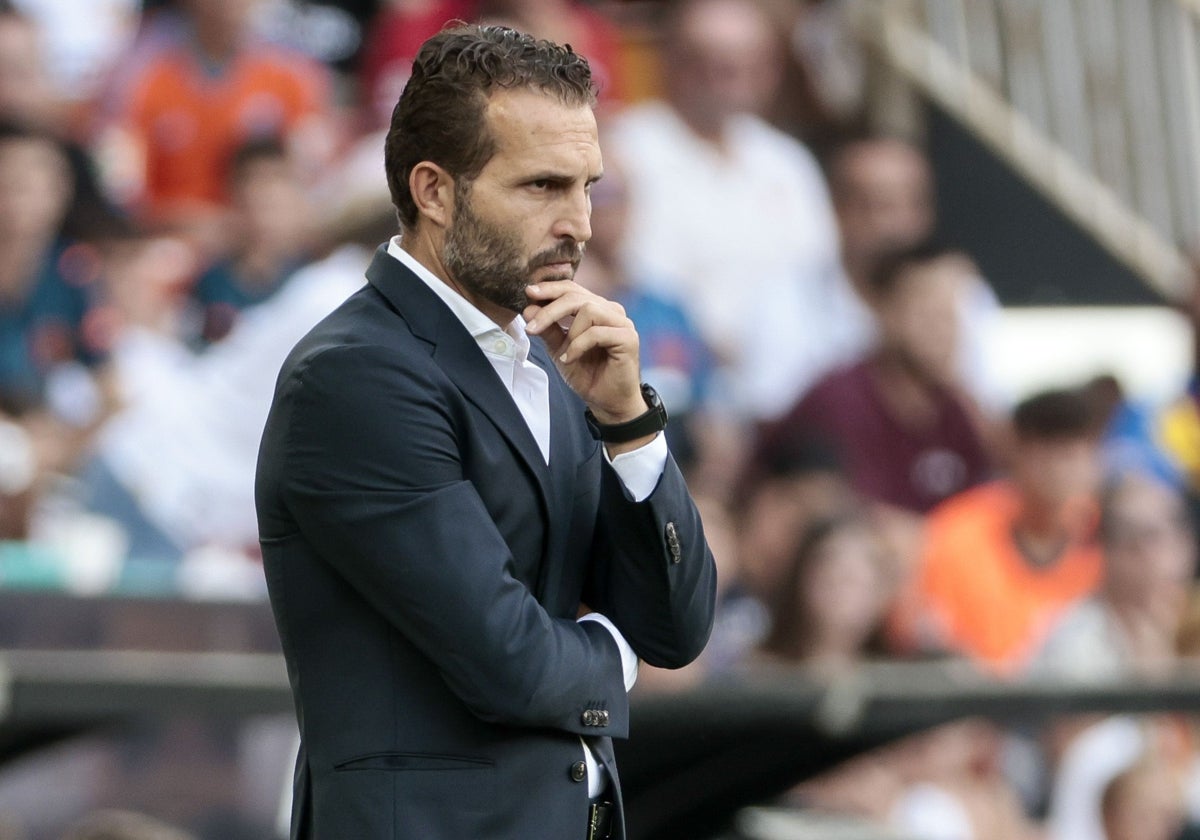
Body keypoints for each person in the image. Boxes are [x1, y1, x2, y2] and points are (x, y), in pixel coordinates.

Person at [255, 24, 717, 840]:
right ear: (434, 191)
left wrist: (629, 425)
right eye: (542, 186)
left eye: (588, 186)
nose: (579, 222)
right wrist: (615, 656)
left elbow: (676, 629)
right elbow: (505, 659)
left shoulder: (561, 365)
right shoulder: (356, 375)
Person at [607, 0, 842, 420]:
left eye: (752, 63)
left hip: (793, 389)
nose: (734, 79)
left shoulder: (788, 161)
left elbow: (819, 280)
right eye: (713, 63)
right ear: (675, 62)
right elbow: (632, 275)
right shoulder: (627, 149)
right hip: (678, 385)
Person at [753, 240, 992, 515]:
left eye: (953, 314)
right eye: (929, 312)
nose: (945, 330)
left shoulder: (960, 410)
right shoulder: (839, 400)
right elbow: (844, 517)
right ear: (884, 311)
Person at [907, 387, 1105, 673]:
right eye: (1046, 451)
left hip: (1084, 707)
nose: (1059, 469)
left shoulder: (1113, 540)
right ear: (1015, 453)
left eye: (1072, 452)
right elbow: (924, 635)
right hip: (977, 702)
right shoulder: (957, 533)